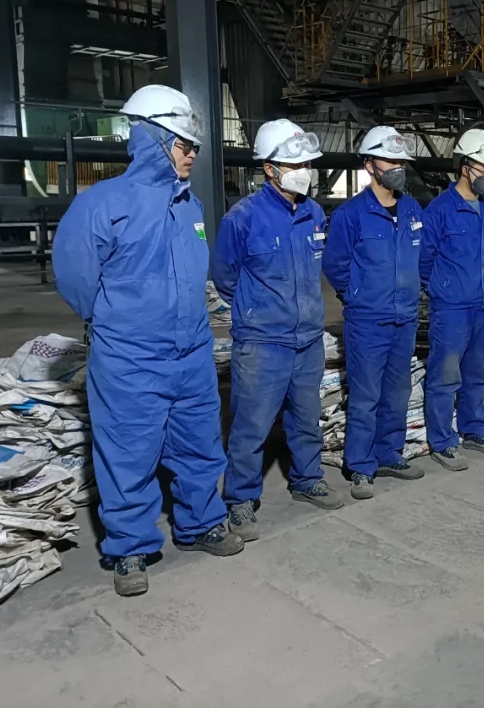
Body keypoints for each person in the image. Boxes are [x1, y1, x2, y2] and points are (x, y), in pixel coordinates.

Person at [53, 84, 243, 598]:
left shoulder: (190, 206)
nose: (192, 154)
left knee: (199, 445)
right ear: (152, 140)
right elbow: (75, 277)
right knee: (128, 454)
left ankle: (202, 524)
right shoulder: (102, 204)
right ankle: (130, 548)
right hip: (130, 359)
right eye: (184, 145)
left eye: (194, 146)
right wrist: (115, 322)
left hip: (192, 353)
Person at [212, 119, 342, 542]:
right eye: (295, 164)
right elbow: (225, 278)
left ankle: (308, 479)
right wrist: (258, 311)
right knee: (251, 425)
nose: (304, 171)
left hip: (308, 339)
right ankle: (240, 498)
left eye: (307, 163)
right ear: (269, 169)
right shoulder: (242, 218)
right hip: (263, 343)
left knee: (306, 417)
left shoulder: (314, 212)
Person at [323, 126, 425, 500]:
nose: (398, 168)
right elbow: (335, 265)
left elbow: (420, 257)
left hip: (405, 318)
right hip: (368, 321)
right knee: (365, 397)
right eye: (390, 160)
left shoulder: (412, 209)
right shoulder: (351, 214)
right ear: (370, 165)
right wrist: (358, 296)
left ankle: (388, 454)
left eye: (401, 161)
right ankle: (360, 465)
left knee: (397, 392)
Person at [421, 129, 484, 469]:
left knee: (476, 374)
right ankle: (443, 441)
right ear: (465, 167)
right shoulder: (440, 210)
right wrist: (443, 289)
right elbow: (424, 260)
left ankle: (475, 429)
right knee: (445, 377)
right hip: (452, 309)